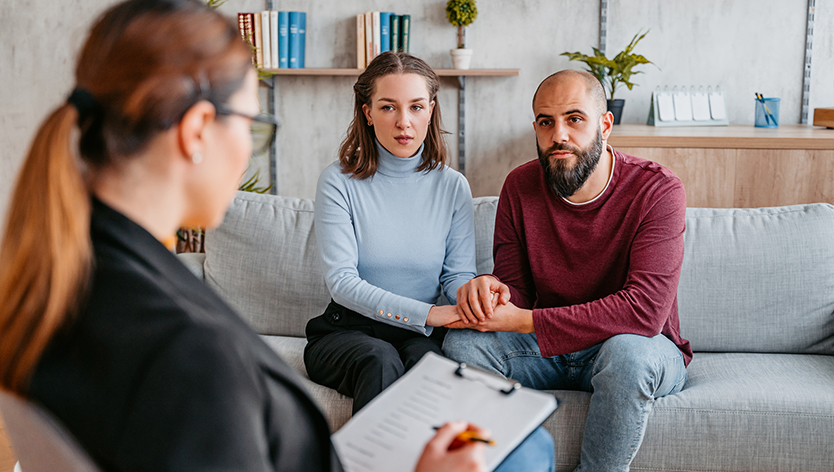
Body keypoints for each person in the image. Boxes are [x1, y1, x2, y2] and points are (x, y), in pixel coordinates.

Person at [0, 1, 496, 471]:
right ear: (197, 130)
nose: (248, 149)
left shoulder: (70, 288)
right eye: (254, 124)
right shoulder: (187, 350)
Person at [305, 52, 554, 472]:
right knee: (379, 358)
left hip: (420, 336)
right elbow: (342, 283)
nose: (404, 122)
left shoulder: (452, 185)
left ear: (431, 110)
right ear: (367, 113)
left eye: (416, 107)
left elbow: (456, 273)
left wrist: (474, 293)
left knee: (436, 370)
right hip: (345, 332)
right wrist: (431, 313)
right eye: (388, 107)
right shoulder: (338, 182)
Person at [443, 69, 692, 472]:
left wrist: (524, 319)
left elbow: (643, 314)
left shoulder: (657, 191)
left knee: (627, 355)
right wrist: (493, 291)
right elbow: (517, 292)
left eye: (574, 119)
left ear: (605, 125)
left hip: (637, 347)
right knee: (463, 347)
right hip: (550, 351)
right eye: (546, 122)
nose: (559, 134)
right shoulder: (520, 186)